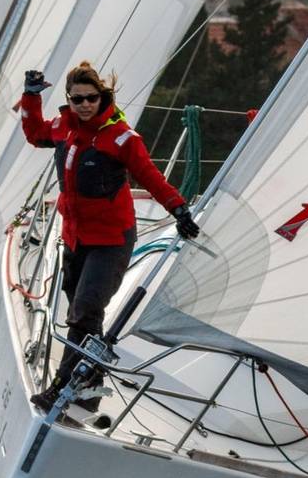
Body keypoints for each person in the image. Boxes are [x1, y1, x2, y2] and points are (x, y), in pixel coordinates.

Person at [20, 61, 199, 414]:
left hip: (111, 240)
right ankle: (91, 385)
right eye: (78, 99)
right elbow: (34, 133)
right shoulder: (62, 128)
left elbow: (150, 176)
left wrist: (178, 209)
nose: (85, 105)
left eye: (92, 98)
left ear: (103, 98)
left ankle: (61, 387)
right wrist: (29, 97)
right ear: (69, 101)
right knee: (83, 314)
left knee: (85, 310)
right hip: (75, 238)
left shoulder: (121, 138)